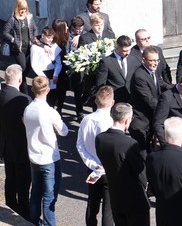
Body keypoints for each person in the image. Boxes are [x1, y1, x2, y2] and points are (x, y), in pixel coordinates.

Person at [23, 76, 69, 226]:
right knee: (49, 197)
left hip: (33, 156)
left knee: (35, 192)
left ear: (32, 89)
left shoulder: (28, 109)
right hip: (49, 158)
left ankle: (34, 220)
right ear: (48, 89)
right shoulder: (49, 112)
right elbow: (64, 131)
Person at [95, 103, 150, 226]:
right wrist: (145, 183)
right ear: (126, 120)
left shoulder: (100, 138)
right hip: (134, 198)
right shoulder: (130, 143)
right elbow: (139, 170)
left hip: (115, 195)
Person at [0, 64, 32, 220]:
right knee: (23, 184)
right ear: (21, 79)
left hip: (6, 144)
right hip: (22, 147)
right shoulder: (25, 99)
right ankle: (24, 212)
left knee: (10, 178)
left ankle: (10, 203)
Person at [76, 85, 115, 226]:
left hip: (93, 168)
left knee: (92, 204)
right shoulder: (111, 123)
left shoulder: (86, 120)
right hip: (109, 170)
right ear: (112, 102)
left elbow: (80, 145)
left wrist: (92, 163)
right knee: (108, 209)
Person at [128, 46, 172, 158]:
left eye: (157, 60)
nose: (155, 63)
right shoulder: (139, 76)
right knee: (142, 150)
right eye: (152, 60)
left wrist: (173, 88)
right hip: (141, 120)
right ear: (143, 60)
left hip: (151, 115)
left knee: (149, 146)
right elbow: (149, 100)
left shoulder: (153, 69)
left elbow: (158, 83)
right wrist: (166, 109)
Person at [3, 0, 51, 95]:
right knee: (23, 68)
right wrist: (13, 40)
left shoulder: (29, 17)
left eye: (24, 9)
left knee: (26, 69)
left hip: (29, 47)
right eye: (21, 9)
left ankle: (19, 85)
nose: (23, 11)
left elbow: (35, 29)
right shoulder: (12, 18)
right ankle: (24, 93)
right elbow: (5, 32)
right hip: (18, 48)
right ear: (17, 8)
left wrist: (38, 42)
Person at [77, 14, 116, 119]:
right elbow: (82, 55)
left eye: (101, 24)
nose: (99, 27)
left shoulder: (110, 35)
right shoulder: (85, 37)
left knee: (109, 95)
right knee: (96, 97)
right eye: (97, 25)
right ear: (91, 25)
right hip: (93, 74)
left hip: (108, 72)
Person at [96, 35, 141, 103]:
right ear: (117, 47)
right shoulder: (106, 62)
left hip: (131, 98)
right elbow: (101, 83)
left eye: (129, 50)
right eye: (124, 51)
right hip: (115, 99)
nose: (128, 53)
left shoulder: (134, 60)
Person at [30, 27, 62, 107]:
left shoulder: (54, 46)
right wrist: (43, 77)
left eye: (52, 37)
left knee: (52, 96)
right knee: (41, 96)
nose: (51, 40)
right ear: (43, 35)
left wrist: (56, 75)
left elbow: (58, 62)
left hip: (52, 73)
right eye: (48, 37)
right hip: (41, 74)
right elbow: (34, 64)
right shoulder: (35, 48)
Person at [52, 19, 71, 116]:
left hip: (64, 70)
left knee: (62, 92)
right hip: (54, 70)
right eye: (66, 26)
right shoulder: (52, 40)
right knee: (53, 92)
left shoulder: (68, 37)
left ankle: (59, 109)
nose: (68, 28)